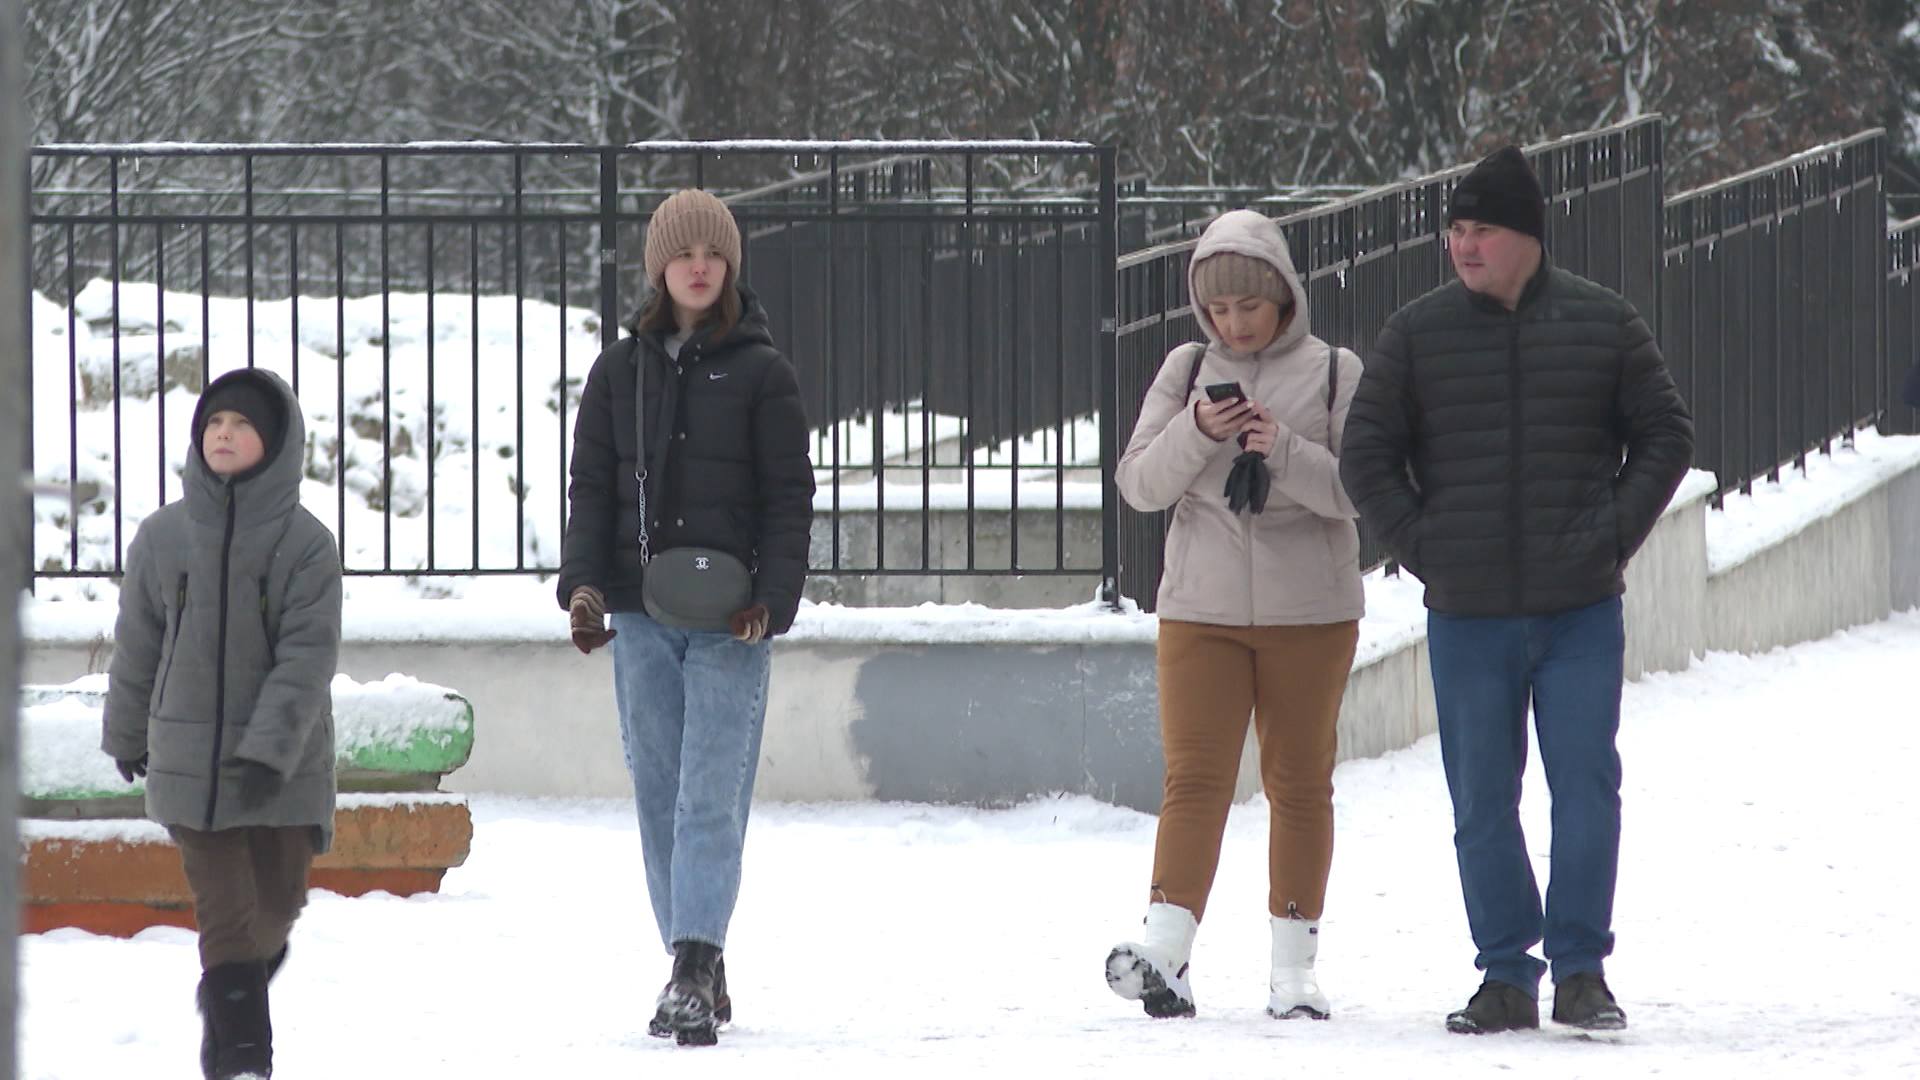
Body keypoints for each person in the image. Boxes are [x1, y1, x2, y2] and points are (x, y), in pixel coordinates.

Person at [1340, 146, 1694, 1035]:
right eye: (1454, 230)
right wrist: (1427, 549)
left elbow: (1665, 434)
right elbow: (1365, 454)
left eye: (1480, 230)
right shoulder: (1417, 333)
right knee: (1481, 801)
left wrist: (1611, 535)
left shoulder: (1604, 323)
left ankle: (1581, 970)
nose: (1461, 246)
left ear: (1527, 237)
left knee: (1585, 790)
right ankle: (1505, 973)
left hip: (1578, 612)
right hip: (1469, 615)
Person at [558, 188, 814, 1048]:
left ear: (730, 267)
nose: (697, 266)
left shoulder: (764, 373)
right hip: (639, 613)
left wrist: (772, 601)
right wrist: (584, 589)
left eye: (712, 254)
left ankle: (695, 965)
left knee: (710, 796)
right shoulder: (617, 373)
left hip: (731, 618)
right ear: (659, 268)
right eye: (682, 254)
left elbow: (789, 498)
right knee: (661, 797)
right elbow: (591, 489)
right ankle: (692, 955)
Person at [1104, 209, 1365, 1021]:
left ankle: (1295, 972)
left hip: (1309, 614)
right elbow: (1139, 483)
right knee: (1195, 779)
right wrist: (1197, 430)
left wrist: (1279, 448)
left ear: (1283, 297)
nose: (1232, 324)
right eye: (1217, 310)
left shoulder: (1334, 372)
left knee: (1298, 784)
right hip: (1200, 610)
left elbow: (1359, 492)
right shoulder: (1186, 370)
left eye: (1247, 307)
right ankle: (1166, 952)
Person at [102, 367, 344, 1080]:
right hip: (189, 764)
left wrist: (270, 746)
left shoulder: (306, 544)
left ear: (274, 444)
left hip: (283, 767)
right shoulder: (163, 536)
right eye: (214, 424)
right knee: (226, 915)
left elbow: (307, 657)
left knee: (277, 907)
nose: (224, 435)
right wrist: (125, 732)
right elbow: (138, 644)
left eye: (240, 425)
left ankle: (228, 998)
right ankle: (243, 1057)